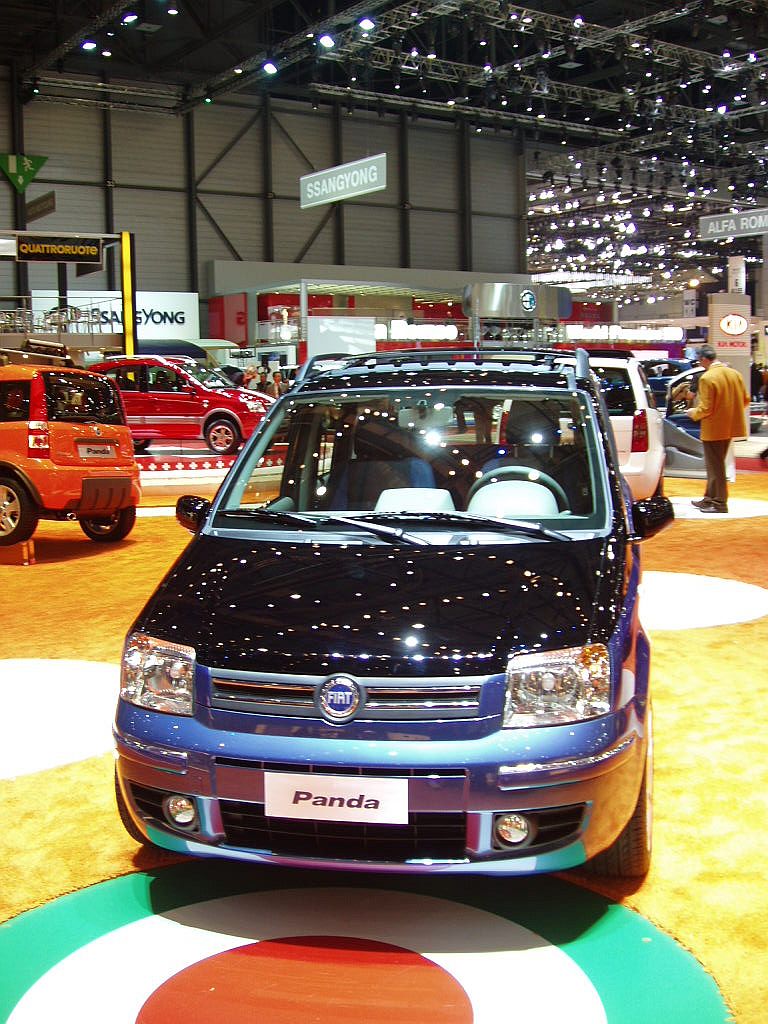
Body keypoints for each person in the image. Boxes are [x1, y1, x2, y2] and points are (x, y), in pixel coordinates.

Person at [687, 343, 750, 513]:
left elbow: (706, 408)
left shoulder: (707, 378)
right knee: (716, 465)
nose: (699, 363)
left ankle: (719, 503)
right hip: (730, 427)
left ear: (704, 359)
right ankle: (709, 498)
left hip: (713, 428)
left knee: (716, 467)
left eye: (699, 360)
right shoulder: (734, 374)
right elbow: (745, 399)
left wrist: (693, 412)